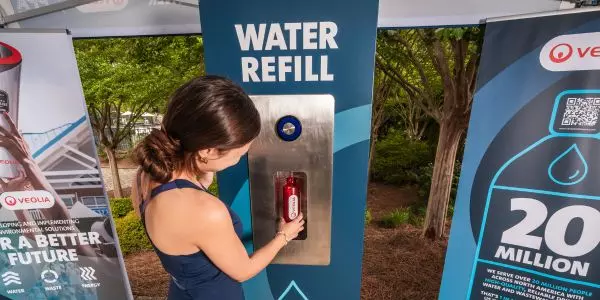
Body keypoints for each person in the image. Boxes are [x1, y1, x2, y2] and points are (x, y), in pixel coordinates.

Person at [130, 75, 305, 300]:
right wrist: (284, 235)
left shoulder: (146, 176)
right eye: (239, 154)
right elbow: (243, 271)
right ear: (208, 151)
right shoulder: (205, 211)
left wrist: (202, 172)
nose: (239, 160)